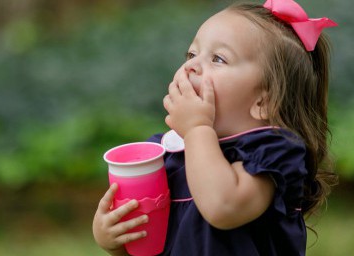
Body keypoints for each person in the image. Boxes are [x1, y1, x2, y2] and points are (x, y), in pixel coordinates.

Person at [93, 0, 338, 255]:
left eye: (218, 58)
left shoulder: (272, 153)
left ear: (264, 101)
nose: (191, 66)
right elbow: (149, 242)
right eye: (191, 54)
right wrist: (114, 238)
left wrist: (198, 127)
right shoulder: (167, 152)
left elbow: (223, 207)